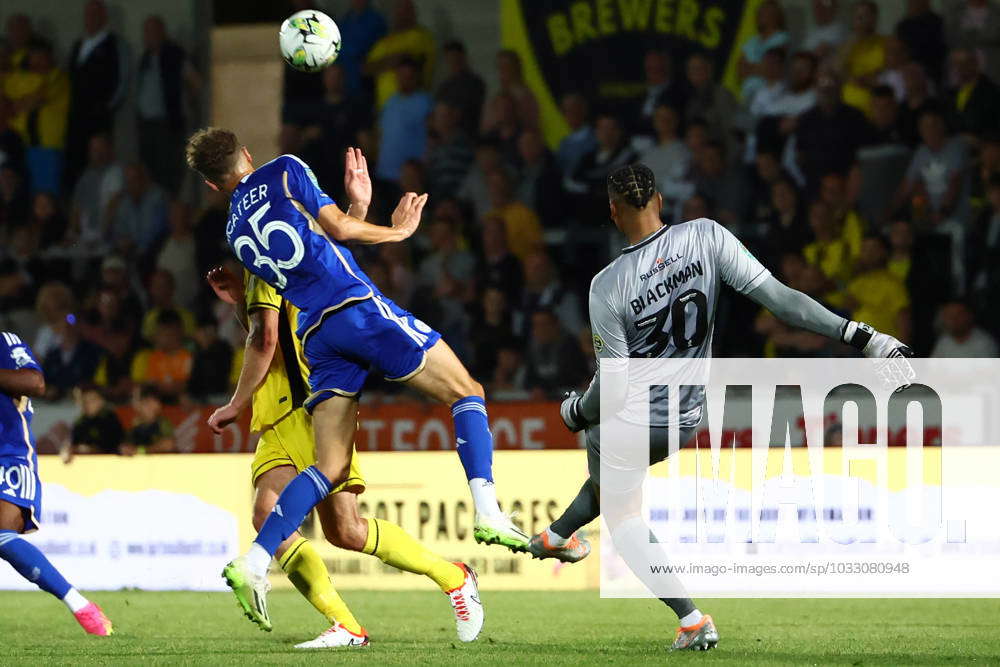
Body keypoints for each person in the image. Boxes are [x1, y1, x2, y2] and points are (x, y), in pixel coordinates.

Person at [529, 164, 912, 651]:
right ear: (660, 201)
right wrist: (864, 337)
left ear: (612, 211)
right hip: (688, 416)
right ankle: (559, 534)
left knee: (622, 511)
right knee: (612, 477)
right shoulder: (706, 236)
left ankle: (690, 619)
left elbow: (615, 387)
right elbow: (782, 301)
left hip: (634, 416)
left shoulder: (608, 286)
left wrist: (575, 413)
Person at [184, 135, 528, 628]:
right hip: (356, 310)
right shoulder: (283, 169)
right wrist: (396, 230)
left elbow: (305, 259)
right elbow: (337, 233)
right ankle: (489, 512)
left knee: (328, 467)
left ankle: (256, 561)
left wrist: (358, 205)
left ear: (212, 183)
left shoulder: (237, 232)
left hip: (318, 336)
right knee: (467, 392)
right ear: (246, 152)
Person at [205, 258, 482, 647]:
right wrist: (239, 301)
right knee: (266, 513)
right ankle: (346, 626)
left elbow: (266, 341)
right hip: (278, 410)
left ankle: (453, 577)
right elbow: (273, 335)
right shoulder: (265, 259)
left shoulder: (270, 257)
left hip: (311, 408)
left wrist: (236, 403)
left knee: (346, 531)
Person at [0, 331, 113, 635]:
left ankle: (80, 605)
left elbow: (35, 383)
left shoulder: (5, 341)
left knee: (1, 534)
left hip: (7, 454)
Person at [135, 16, 202, 194]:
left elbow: (195, 81)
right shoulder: (145, 58)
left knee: (169, 172)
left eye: (152, 32)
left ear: (161, 33)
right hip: (148, 125)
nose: (148, 37)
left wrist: (189, 104)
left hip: (168, 123)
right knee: (149, 171)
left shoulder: (175, 54)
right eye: (146, 33)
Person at [64, 0, 126, 189]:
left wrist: (105, 108)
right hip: (76, 117)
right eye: (88, 14)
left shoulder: (113, 44)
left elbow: (121, 82)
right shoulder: (78, 45)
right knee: (76, 163)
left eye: (95, 14)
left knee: (99, 161)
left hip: (98, 118)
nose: (91, 19)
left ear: (104, 17)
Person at [365, 0, 435, 111]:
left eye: (407, 11)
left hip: (411, 105)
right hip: (385, 106)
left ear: (413, 13)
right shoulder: (386, 40)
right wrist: (392, 60)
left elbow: (412, 64)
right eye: (399, 11)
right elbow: (367, 68)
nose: (402, 15)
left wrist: (383, 63)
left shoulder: (421, 36)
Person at [375, 57, 433, 185]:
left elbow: (432, 136)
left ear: (416, 77)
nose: (404, 80)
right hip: (384, 173)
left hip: (410, 177)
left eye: (409, 76)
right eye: (401, 76)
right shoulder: (390, 102)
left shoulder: (425, 102)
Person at [435, 41, 485, 137]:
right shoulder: (444, 86)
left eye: (456, 58)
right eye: (450, 59)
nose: (453, 62)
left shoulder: (475, 83)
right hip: (447, 137)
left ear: (463, 57)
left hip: (469, 135)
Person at [931, 300, 999, 357]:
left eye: (958, 315)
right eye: (949, 315)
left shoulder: (985, 344)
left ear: (970, 316)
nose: (953, 319)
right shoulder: (944, 340)